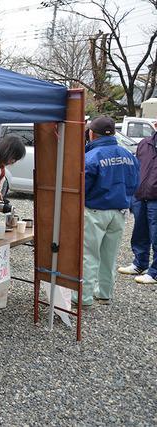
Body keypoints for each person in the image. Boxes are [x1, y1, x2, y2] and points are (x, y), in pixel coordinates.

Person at [78, 116, 139, 306]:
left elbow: (83, 188)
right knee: (109, 255)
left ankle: (84, 297)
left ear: (91, 134)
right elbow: (135, 183)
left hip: (95, 211)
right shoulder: (128, 155)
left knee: (89, 255)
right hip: (120, 212)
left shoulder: (91, 157)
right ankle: (104, 293)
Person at [118, 123, 157, 284]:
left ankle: (155, 272)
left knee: (156, 235)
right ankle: (139, 263)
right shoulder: (145, 143)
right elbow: (136, 166)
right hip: (141, 195)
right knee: (139, 232)